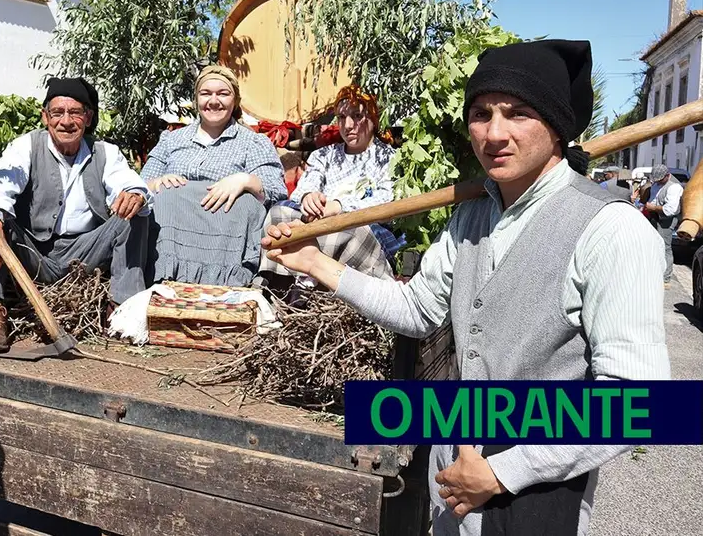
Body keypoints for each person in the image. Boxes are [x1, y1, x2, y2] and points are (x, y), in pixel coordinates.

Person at [262, 39, 670, 536]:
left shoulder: (611, 230)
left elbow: (639, 404)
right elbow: (417, 310)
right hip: (452, 479)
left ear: (557, 126)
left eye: (518, 113)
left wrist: (501, 473)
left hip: (536, 494)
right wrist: (317, 265)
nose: (494, 133)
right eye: (481, 114)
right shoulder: (471, 217)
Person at [0, 77, 151, 353]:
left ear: (87, 118)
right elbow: (2, 185)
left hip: (85, 254)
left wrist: (133, 194)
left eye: (75, 112)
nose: (66, 121)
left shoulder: (105, 153)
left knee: (135, 212)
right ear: (45, 117)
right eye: (57, 113)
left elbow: (126, 181)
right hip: (35, 253)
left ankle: (121, 310)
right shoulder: (26, 146)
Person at [140, 65, 287, 286]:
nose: (214, 101)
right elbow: (139, 186)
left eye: (223, 93)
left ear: (235, 100)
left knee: (247, 204)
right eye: (206, 93)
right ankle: (167, 277)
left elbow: (276, 190)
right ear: (196, 98)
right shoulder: (171, 140)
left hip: (225, 228)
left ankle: (224, 282)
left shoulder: (254, 142)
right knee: (164, 198)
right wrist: (156, 183)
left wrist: (244, 180)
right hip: (175, 226)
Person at [257, 84, 399, 282]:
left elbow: (389, 202)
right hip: (317, 222)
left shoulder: (389, 158)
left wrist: (339, 207)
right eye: (341, 118)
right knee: (279, 212)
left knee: (350, 230)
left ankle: (323, 283)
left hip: (360, 225)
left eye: (357, 116)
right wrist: (309, 198)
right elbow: (302, 190)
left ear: (373, 119)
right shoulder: (325, 155)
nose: (348, 125)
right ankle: (275, 281)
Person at [644, 164, 683, 287]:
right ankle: (654, 271)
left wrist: (653, 207)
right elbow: (654, 197)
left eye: (660, 179)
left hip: (666, 220)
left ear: (667, 176)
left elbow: (670, 210)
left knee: (665, 247)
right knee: (653, 245)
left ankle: (666, 277)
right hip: (655, 217)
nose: (657, 182)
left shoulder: (674, 187)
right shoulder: (657, 183)